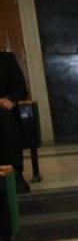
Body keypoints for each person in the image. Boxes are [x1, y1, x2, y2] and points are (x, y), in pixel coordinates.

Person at [0, 52, 30, 193]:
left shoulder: (6, 59)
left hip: (1, 108)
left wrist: (9, 99)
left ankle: (15, 173)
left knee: (6, 117)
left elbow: (21, 90)